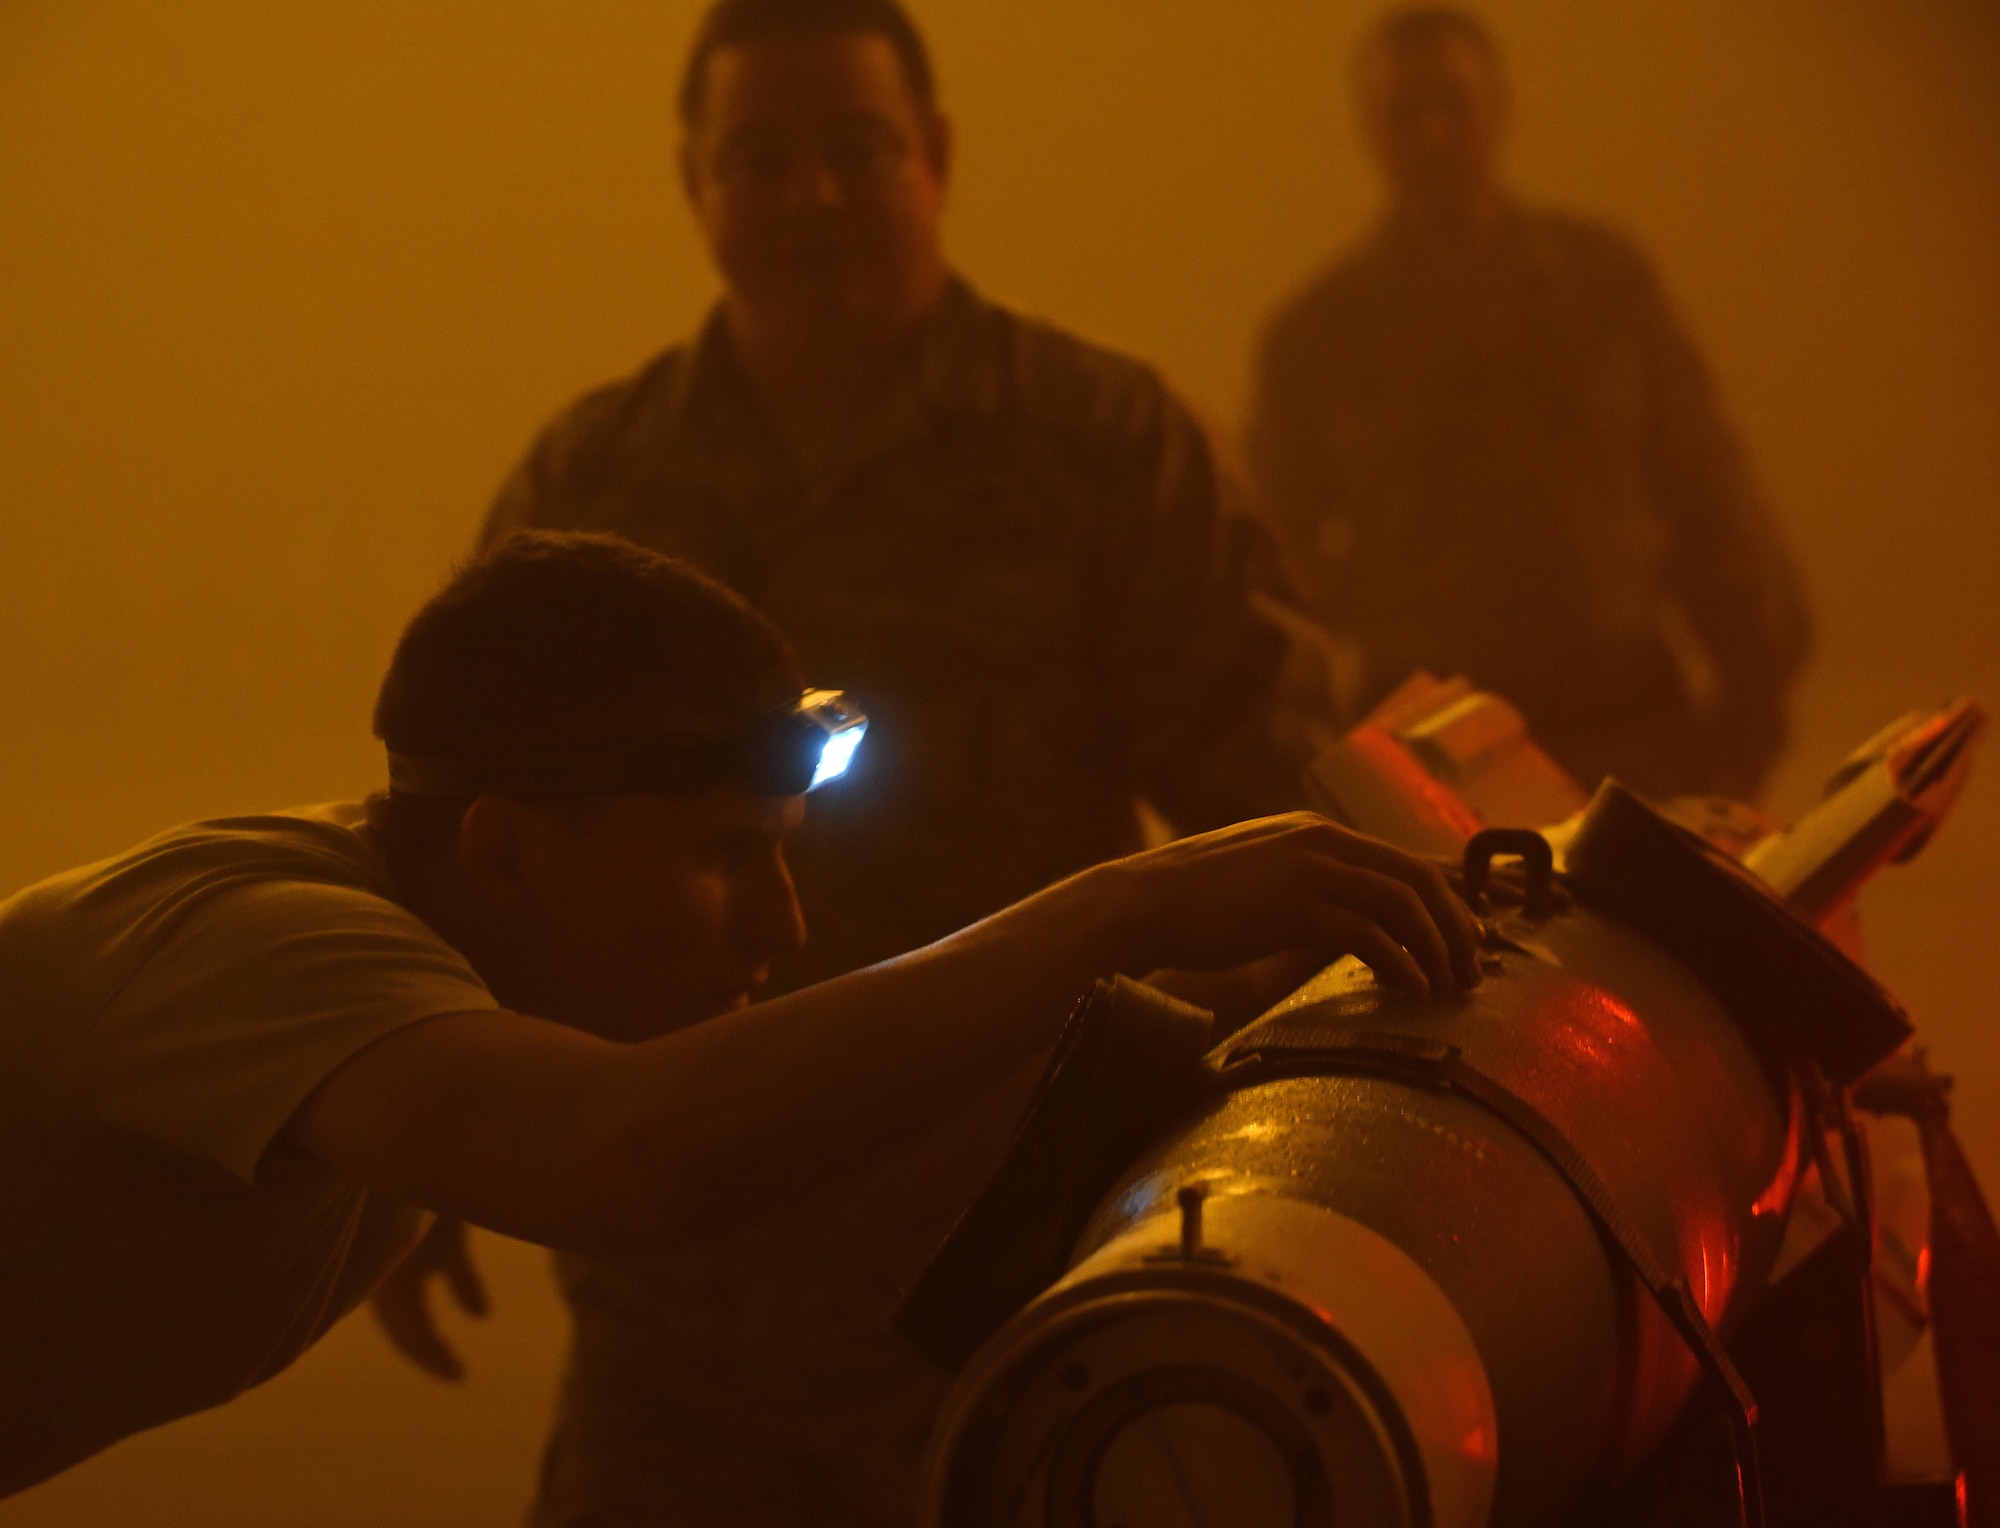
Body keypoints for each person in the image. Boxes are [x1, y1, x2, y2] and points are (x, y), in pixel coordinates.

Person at [0, 531, 1479, 1501]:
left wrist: (1237, 1013)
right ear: (507, 850)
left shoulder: (428, 964)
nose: (783, 922)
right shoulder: (251, 947)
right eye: (727, 857)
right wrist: (1123, 908)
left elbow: (814, 1158)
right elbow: (643, 1157)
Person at [448, 2, 1350, 1522]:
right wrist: (415, 1166)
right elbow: (469, 864)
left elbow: (1277, 838)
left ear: (933, 157)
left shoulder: (1106, 447)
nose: (810, 199)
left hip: (1023, 1302)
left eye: (856, 151)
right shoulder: (592, 488)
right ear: (695, 183)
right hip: (679, 1322)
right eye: (761, 160)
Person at [1245, 5, 1813, 801]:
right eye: (1406, 114)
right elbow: (1277, 571)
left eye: (1454, 106)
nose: (1434, 134)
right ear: (1367, 129)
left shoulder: (1605, 289)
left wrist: (1751, 709)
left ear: (1500, 111)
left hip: (1625, 728)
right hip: (1432, 758)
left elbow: (1708, 493)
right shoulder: (1317, 339)